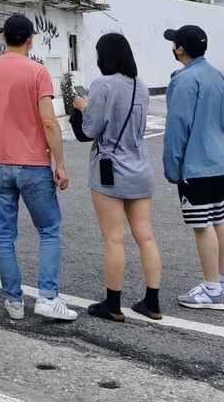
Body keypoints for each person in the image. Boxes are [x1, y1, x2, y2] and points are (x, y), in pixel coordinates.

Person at [0, 14, 77, 321]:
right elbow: (48, 121)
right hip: (33, 164)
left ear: (3, 37)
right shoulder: (37, 72)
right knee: (48, 230)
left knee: (4, 234)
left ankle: (14, 301)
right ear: (31, 39)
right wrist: (61, 164)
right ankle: (47, 297)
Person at [73, 33, 163, 321]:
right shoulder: (142, 86)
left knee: (114, 239)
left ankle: (112, 304)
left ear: (106, 56)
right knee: (146, 236)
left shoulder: (103, 84)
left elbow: (89, 130)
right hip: (140, 167)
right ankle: (152, 302)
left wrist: (81, 107)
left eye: (98, 53)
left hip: (109, 169)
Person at [162, 24, 224, 311]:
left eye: (174, 43)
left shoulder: (184, 80)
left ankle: (211, 289)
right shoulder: (217, 76)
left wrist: (172, 168)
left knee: (201, 225)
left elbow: (178, 127)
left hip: (196, 163)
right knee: (220, 218)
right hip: (220, 158)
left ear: (180, 49)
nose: (173, 46)